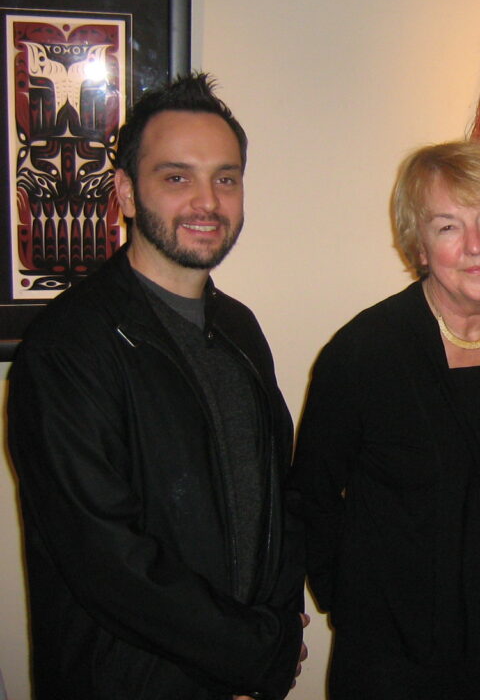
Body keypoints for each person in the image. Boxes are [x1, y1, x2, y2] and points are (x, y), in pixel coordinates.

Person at [7, 72, 307, 700]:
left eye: (225, 178)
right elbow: (108, 563)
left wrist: (271, 631)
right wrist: (257, 651)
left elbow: (277, 497)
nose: (207, 201)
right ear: (124, 192)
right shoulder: (66, 349)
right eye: (177, 178)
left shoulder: (239, 329)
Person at [287, 141, 480, 700]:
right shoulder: (365, 352)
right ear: (417, 245)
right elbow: (308, 494)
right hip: (390, 661)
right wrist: (355, 599)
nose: (477, 246)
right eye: (448, 227)